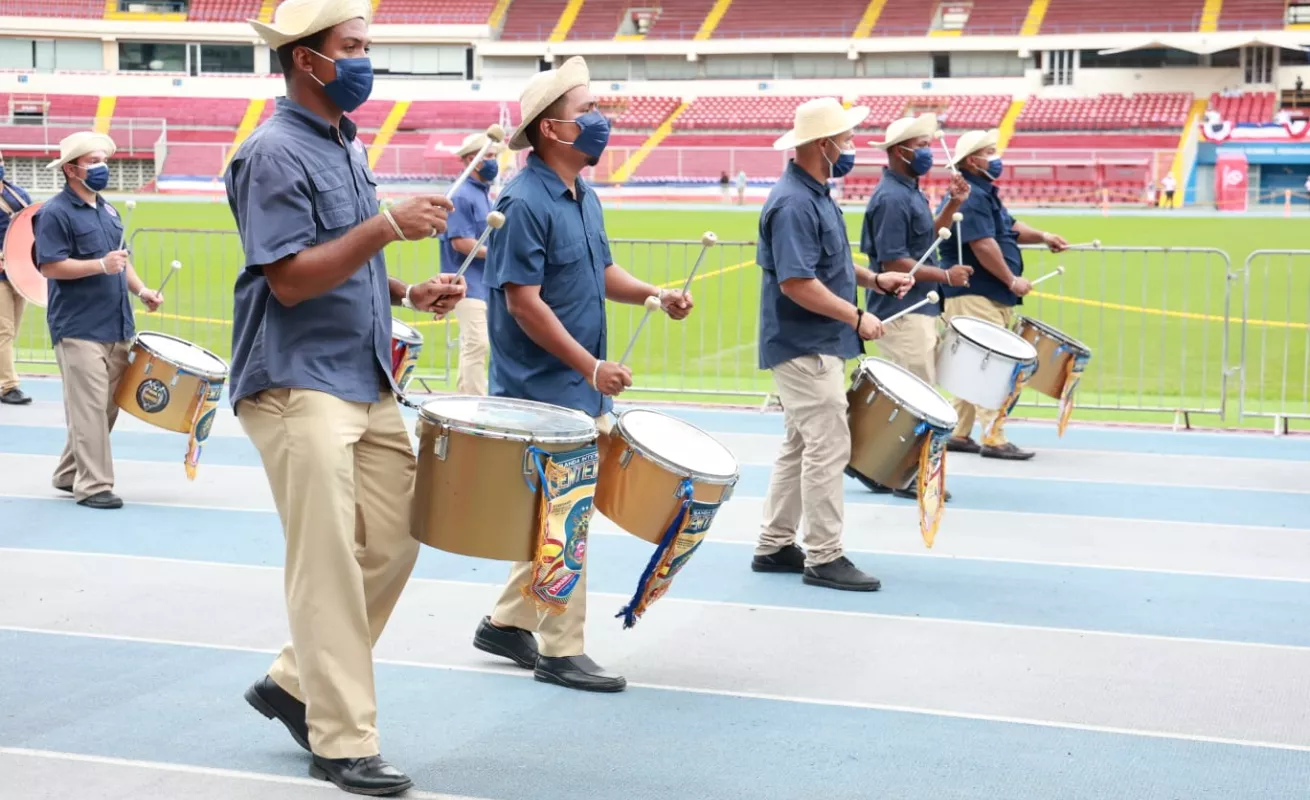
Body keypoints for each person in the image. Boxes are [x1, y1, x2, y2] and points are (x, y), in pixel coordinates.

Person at [226, 0, 464, 795]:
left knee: (396, 541)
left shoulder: (345, 144)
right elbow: (290, 279)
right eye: (353, 48)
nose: (366, 61)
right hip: (295, 380)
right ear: (306, 59)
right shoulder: (270, 154)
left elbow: (343, 260)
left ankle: (296, 681)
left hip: (364, 374)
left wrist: (404, 288)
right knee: (327, 563)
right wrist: (388, 227)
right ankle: (341, 738)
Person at [471, 56, 693, 693]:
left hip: (573, 388)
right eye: (585, 111)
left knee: (559, 514)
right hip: (543, 392)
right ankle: (561, 649)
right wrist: (591, 366)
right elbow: (523, 301)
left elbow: (600, 274)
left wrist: (655, 294)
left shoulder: (582, 195)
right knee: (566, 518)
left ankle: (507, 622)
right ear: (550, 131)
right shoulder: (521, 199)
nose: (599, 120)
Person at [750, 97, 914, 592]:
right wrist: (857, 315)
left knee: (801, 444)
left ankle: (775, 543)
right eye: (846, 139)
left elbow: (830, 264)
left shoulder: (813, 193)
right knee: (828, 445)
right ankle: (824, 554)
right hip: (805, 344)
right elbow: (797, 283)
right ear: (823, 145)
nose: (852, 148)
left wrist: (873, 280)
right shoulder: (795, 202)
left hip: (814, 341)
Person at [35, 132, 163, 510]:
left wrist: (142, 291)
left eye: (102, 160)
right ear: (71, 169)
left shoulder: (108, 210)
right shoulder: (54, 213)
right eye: (92, 162)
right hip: (78, 328)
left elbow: (121, 262)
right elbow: (50, 265)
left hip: (116, 326)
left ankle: (68, 472)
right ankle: (93, 486)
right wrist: (99, 265)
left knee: (105, 408)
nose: (101, 167)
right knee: (89, 409)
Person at [855, 113, 971, 499]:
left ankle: (900, 469)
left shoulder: (908, 191)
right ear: (899, 151)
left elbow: (921, 247)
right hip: (902, 312)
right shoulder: (891, 198)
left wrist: (953, 203)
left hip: (918, 308)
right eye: (921, 146)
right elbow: (893, 262)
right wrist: (945, 277)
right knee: (917, 397)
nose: (927, 152)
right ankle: (909, 474)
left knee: (920, 392)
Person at [937, 128, 1067, 461]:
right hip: (977, 293)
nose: (997, 158)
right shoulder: (975, 197)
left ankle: (960, 432)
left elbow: (1008, 228)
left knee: (970, 364)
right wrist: (1011, 280)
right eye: (990, 152)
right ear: (972, 160)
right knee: (989, 366)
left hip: (980, 294)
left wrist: (1043, 235)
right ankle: (993, 435)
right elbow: (983, 244)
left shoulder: (981, 193)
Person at [440, 131, 498, 395]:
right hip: (466, 283)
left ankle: (467, 399)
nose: (494, 161)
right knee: (477, 344)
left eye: (494, 156)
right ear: (472, 159)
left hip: (482, 283)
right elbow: (460, 242)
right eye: (488, 156)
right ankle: (474, 404)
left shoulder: (484, 195)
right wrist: (498, 253)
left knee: (476, 345)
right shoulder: (463, 195)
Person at [0, 149, 34, 406]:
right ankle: (8, 386)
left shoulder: (17, 196)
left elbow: (32, 228)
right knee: (4, 330)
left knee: (12, 331)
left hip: (17, 274)